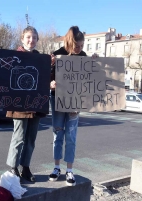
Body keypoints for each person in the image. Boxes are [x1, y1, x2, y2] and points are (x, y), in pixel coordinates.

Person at [6, 26, 46, 182]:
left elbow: (45, 79)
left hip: (36, 104)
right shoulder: (14, 56)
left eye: (34, 38)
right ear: (22, 39)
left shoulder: (41, 59)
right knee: (19, 137)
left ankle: (26, 167)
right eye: (29, 37)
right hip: (19, 104)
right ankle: (13, 167)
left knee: (31, 139)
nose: (32, 40)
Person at [48, 26, 87, 186]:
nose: (79, 49)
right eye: (77, 46)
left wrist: (96, 63)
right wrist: (51, 82)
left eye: (82, 46)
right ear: (70, 43)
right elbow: (48, 77)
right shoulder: (57, 55)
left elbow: (88, 80)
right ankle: (57, 167)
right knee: (58, 135)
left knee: (71, 137)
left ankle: (69, 170)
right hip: (57, 99)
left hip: (74, 102)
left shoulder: (83, 56)